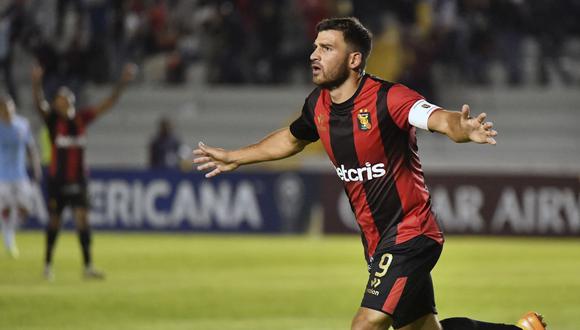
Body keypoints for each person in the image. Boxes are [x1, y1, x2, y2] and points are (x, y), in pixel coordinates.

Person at [193, 17, 547, 330]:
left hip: (411, 233)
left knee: (366, 324)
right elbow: (290, 140)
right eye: (315, 46)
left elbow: (437, 118)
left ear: (354, 59)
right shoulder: (317, 105)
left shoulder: (388, 98)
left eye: (327, 48)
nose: (314, 54)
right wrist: (234, 157)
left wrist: (461, 127)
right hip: (377, 243)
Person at [31, 62, 136, 280]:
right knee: (55, 223)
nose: (62, 103)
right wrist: (36, 82)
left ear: (71, 101)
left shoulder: (81, 119)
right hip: (58, 181)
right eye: (59, 100)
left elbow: (108, 103)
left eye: (65, 99)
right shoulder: (52, 121)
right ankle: (47, 265)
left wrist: (123, 83)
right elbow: (39, 104)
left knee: (83, 221)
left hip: (79, 180)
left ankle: (88, 266)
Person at [0, 94, 41, 258]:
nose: (7, 111)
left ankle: (9, 231)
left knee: (25, 208)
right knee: (7, 208)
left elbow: (31, 148)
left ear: (13, 108)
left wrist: (36, 168)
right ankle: (9, 240)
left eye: (9, 107)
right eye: (4, 108)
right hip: (2, 176)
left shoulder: (22, 125)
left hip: (20, 175)